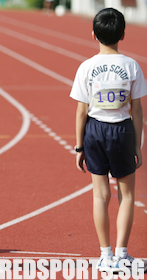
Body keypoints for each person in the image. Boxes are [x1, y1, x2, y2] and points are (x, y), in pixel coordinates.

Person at [70, 8, 147, 273]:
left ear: (93, 34)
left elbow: (81, 111)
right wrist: (137, 144)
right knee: (126, 196)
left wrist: (79, 146)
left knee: (100, 195)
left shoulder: (86, 66)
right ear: (123, 34)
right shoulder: (132, 66)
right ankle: (122, 253)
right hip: (122, 131)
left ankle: (105, 256)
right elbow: (137, 110)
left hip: (94, 131)